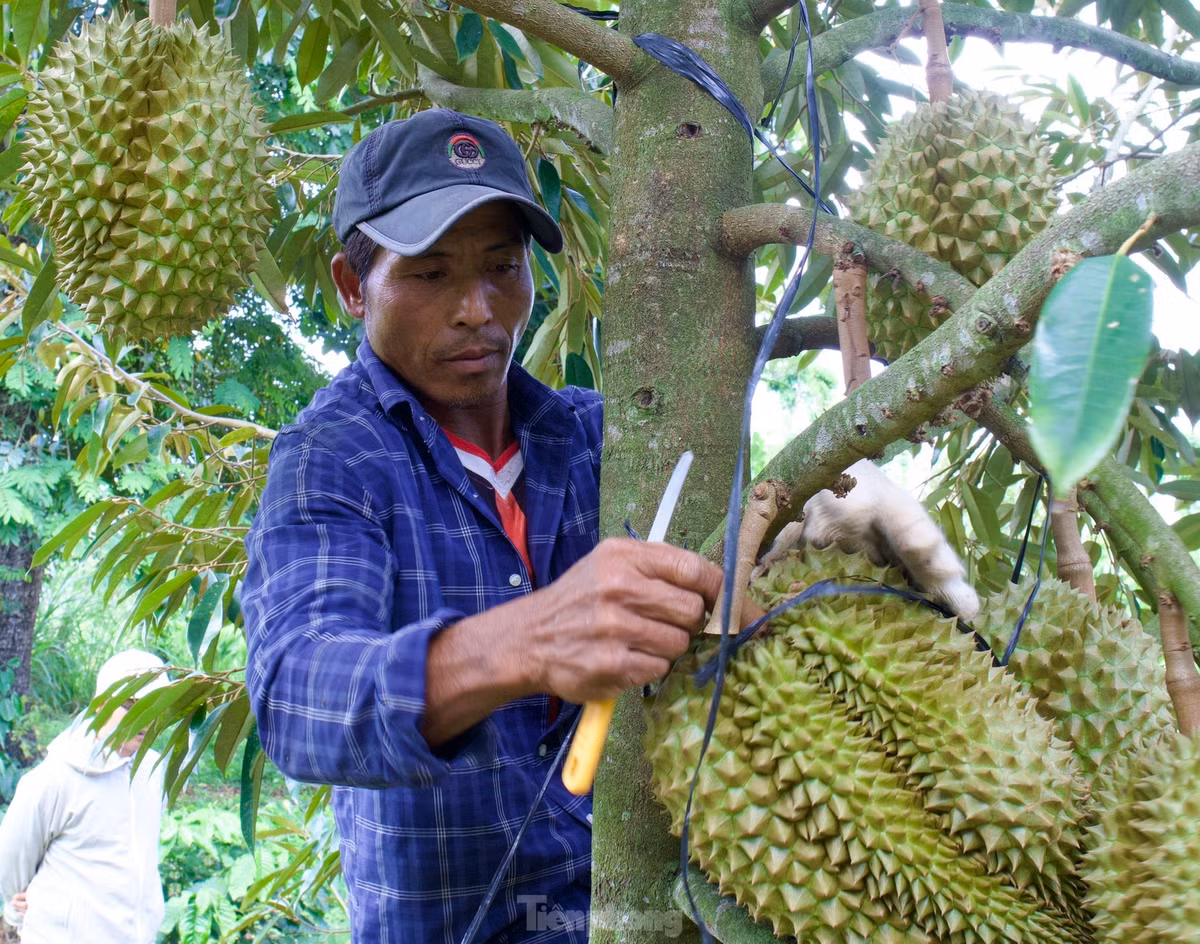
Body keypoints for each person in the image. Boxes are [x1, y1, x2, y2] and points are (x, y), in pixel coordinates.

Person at [241, 108, 977, 944]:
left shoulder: (601, 435)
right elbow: (298, 697)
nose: (477, 308)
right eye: (431, 274)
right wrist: (526, 642)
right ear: (352, 285)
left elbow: (715, 582)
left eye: (502, 267)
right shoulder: (332, 458)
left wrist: (813, 526)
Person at [0, 649, 170, 944]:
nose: (145, 719)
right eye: (131, 706)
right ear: (101, 704)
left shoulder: (153, 771)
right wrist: (16, 912)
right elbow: (12, 865)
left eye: (155, 706)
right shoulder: (56, 777)